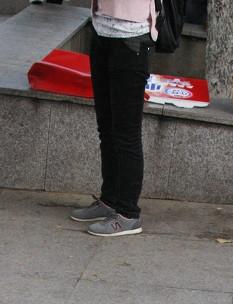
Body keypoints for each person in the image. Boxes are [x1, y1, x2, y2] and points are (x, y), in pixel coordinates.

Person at [68, 0, 158, 237]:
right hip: (101, 29)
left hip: (132, 36)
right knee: (106, 128)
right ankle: (109, 200)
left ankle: (128, 213)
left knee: (126, 134)